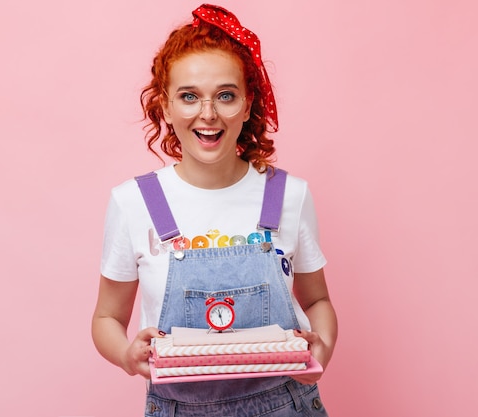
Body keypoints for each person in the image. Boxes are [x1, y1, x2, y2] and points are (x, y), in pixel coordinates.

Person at [92, 4, 337, 416]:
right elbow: (106, 318)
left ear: (247, 103)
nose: (208, 114)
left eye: (226, 95)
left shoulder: (288, 195)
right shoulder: (133, 202)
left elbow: (317, 302)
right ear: (166, 107)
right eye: (189, 97)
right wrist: (126, 354)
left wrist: (322, 351)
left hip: (287, 404)